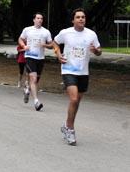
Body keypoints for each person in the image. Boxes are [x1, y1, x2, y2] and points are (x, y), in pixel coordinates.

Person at [53, 8, 101, 146]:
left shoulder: (91, 34)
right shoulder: (65, 33)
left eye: (83, 17)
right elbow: (55, 43)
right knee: (73, 99)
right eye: (78, 17)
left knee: (76, 102)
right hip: (68, 69)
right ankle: (71, 129)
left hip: (83, 72)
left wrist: (96, 51)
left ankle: (67, 126)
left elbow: (99, 51)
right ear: (73, 20)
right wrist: (58, 54)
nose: (81, 19)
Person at [18, 13, 53, 111]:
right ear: (34, 20)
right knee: (33, 78)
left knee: (35, 81)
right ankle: (36, 102)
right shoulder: (27, 29)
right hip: (29, 57)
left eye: (41, 18)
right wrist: (24, 46)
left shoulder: (46, 32)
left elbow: (51, 44)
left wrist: (45, 45)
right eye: (38, 18)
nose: (40, 20)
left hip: (40, 59)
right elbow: (20, 39)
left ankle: (27, 90)